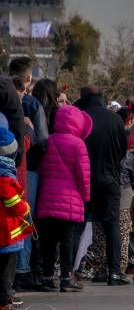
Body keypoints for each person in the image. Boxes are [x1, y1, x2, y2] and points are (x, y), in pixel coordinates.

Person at [74, 85, 130, 286]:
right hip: (110, 179)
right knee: (112, 224)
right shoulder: (115, 119)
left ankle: (67, 272)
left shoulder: (79, 117)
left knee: (77, 226)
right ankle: (114, 272)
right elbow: (123, 151)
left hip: (83, 180)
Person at [36, 104, 91, 292]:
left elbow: (42, 169)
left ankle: (47, 277)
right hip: (70, 199)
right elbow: (83, 176)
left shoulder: (48, 140)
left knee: (48, 241)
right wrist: (85, 197)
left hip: (46, 197)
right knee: (67, 240)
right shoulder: (78, 144)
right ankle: (67, 278)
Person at [0, 125, 32, 310]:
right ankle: (4, 306)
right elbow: (13, 205)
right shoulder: (5, 177)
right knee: (5, 274)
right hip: (6, 234)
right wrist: (25, 207)